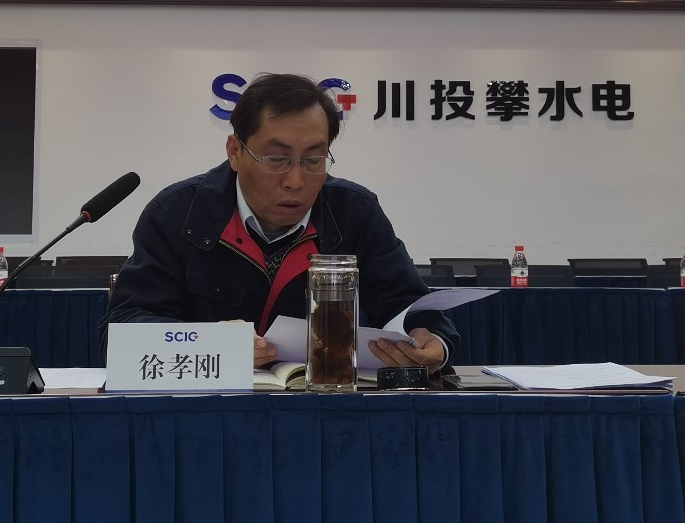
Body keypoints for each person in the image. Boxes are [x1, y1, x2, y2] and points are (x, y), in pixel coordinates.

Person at [102, 72, 457, 370]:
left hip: (326, 404)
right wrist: (211, 343)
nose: (296, 181)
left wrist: (433, 342)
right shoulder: (178, 213)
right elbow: (125, 325)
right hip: (208, 408)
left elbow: (409, 304)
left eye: (314, 160)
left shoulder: (354, 211)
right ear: (235, 152)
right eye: (276, 159)